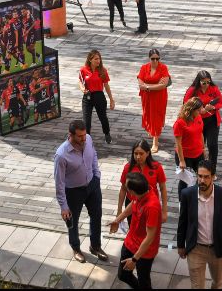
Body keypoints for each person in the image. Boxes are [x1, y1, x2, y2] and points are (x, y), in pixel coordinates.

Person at [177, 160, 222, 290]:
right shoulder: (187, 194)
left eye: (206, 177)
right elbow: (182, 222)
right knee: (197, 286)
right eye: (200, 176)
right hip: (196, 249)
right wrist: (180, 245)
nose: (202, 180)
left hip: (217, 249)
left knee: (218, 282)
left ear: (213, 177)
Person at [53, 120, 108, 264]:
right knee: (73, 221)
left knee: (96, 215)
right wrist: (63, 206)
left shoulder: (88, 139)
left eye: (84, 135)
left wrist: (97, 174)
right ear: (70, 135)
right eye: (80, 136)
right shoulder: (61, 155)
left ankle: (95, 246)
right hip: (73, 191)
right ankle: (76, 248)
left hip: (92, 185)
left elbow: (94, 155)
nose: (84, 139)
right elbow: (59, 183)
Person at [110, 172, 162, 289]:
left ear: (132, 191)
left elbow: (149, 238)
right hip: (130, 243)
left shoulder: (152, 207)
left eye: (126, 187)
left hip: (145, 251)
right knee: (123, 275)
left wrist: (134, 259)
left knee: (144, 281)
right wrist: (118, 220)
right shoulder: (140, 193)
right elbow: (133, 204)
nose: (124, 187)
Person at [117, 140, 169, 225]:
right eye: (136, 153)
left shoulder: (156, 167)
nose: (138, 157)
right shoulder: (128, 168)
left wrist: (164, 209)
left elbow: (163, 188)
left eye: (141, 154)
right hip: (132, 204)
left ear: (148, 153)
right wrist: (119, 210)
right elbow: (123, 189)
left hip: (151, 205)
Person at [183, 70, 222, 174]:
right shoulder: (193, 90)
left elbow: (221, 102)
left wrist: (213, 107)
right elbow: (185, 104)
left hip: (212, 120)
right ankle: (200, 170)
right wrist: (198, 110)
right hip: (197, 121)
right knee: (199, 146)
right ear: (198, 82)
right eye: (203, 83)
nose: (206, 85)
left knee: (212, 145)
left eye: (208, 82)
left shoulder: (214, 88)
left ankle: (212, 171)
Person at [137, 49, 171, 153]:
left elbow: (164, 85)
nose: (155, 61)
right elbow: (140, 84)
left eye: (157, 58)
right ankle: (152, 131)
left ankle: (155, 142)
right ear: (149, 58)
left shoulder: (163, 68)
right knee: (147, 115)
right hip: (147, 97)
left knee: (156, 117)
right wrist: (155, 86)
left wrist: (147, 86)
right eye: (153, 59)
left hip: (159, 98)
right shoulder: (144, 67)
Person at [78, 50, 114, 144]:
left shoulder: (103, 71)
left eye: (99, 59)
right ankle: (87, 140)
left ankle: (107, 133)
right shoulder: (83, 70)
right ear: (90, 60)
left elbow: (106, 85)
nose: (98, 61)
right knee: (86, 121)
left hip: (99, 96)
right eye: (96, 59)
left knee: (103, 118)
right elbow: (80, 81)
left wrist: (111, 99)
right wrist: (82, 88)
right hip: (87, 97)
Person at [174, 97, 205, 196]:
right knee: (184, 181)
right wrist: (181, 160)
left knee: (202, 177)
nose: (201, 111)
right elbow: (178, 143)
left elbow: (200, 133)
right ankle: (181, 202)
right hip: (185, 156)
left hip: (198, 153)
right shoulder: (180, 123)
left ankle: (196, 197)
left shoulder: (198, 117)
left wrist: (203, 148)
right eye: (198, 110)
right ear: (191, 109)